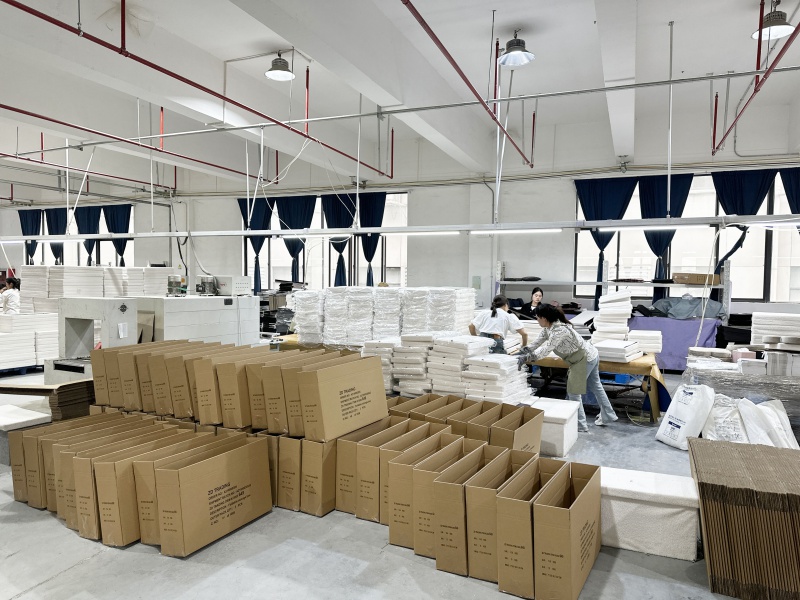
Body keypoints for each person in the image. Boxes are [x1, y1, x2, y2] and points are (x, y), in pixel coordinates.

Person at [518, 303, 618, 431]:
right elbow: (537, 343)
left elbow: (545, 350)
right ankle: (608, 414)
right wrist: (522, 352)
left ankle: (580, 424)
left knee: (574, 392)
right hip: (590, 354)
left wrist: (527, 358)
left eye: (537, 317)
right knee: (595, 386)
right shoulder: (549, 328)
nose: (536, 320)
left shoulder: (559, 331)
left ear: (544, 318)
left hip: (583, 359)